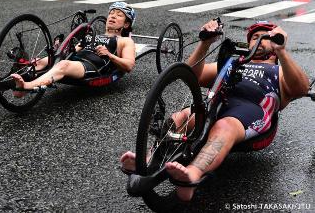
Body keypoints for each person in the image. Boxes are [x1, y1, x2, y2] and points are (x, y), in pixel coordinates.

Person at [120, 19, 309, 201]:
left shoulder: (280, 70)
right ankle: (148, 159)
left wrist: (282, 52)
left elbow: (301, 88)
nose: (259, 39)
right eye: (255, 36)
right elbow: (189, 75)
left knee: (224, 127)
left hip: (252, 109)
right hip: (216, 104)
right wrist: (205, 43)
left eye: (266, 36)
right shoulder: (233, 64)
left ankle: (192, 175)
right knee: (181, 117)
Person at [0, 2, 136, 95]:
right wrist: (62, 49)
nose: (113, 16)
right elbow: (75, 49)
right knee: (40, 61)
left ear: (126, 24)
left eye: (119, 15)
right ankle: (2, 81)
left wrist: (109, 54)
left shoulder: (123, 41)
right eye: (111, 13)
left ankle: (26, 86)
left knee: (62, 65)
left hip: (93, 66)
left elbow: (129, 65)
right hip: (76, 58)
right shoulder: (93, 34)